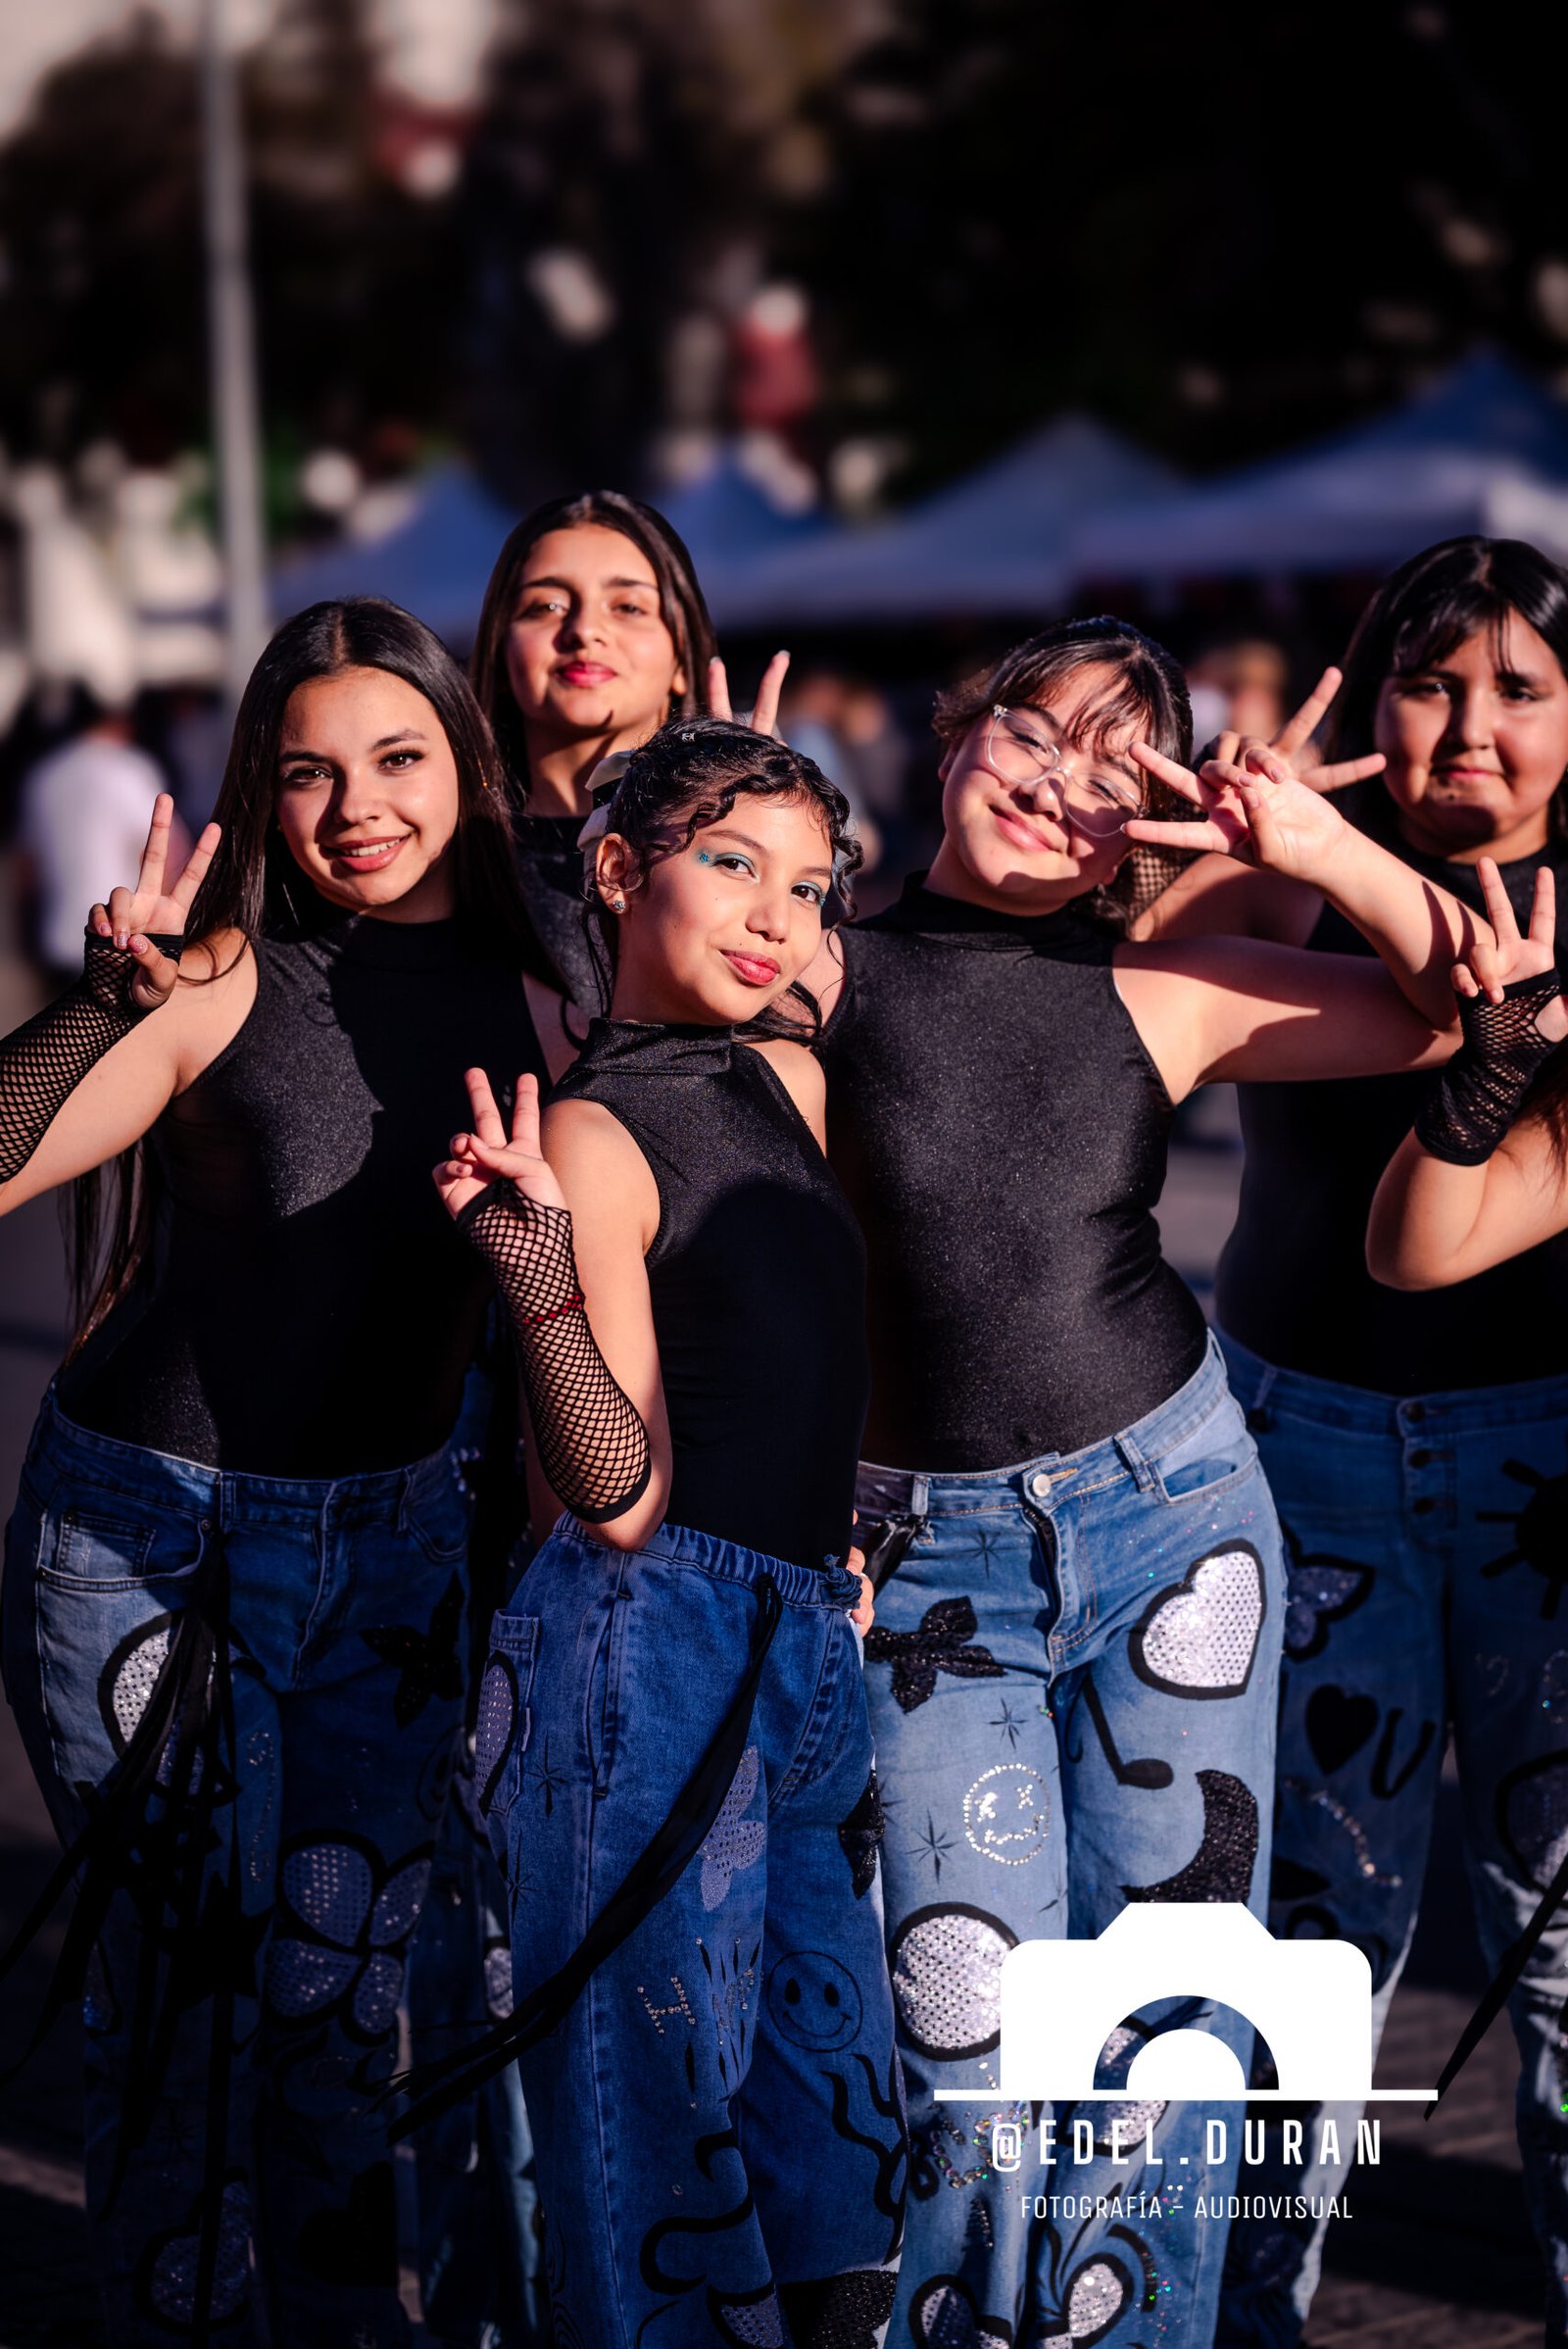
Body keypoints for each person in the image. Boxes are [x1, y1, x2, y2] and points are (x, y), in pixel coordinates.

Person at [787, 612, 1482, 2347]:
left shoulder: (1156, 988)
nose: (1057, 781)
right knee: (963, 2057)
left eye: (1115, 768)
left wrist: (1310, 847)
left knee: (1165, 2038)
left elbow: (1471, 1006)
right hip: (921, 1566)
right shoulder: (815, 965)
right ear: (957, 735)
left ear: (1144, 829)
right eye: (1035, 729)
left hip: (1172, 1529)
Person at [0, 597, 547, 2348]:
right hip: (158, 1541)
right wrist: (96, 1011)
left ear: (464, 756)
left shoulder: (556, 987)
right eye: (304, 771)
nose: (355, 805)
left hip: (399, 1559)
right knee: (181, 2016)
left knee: (333, 1999)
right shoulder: (223, 975)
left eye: (396, 756)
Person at [418, 717, 904, 2344]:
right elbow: (618, 1491)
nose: (780, 912)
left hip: (796, 1645)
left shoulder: (793, 1075)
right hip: (647, 1661)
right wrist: (537, 1272)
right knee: (654, 2165)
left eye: (811, 886)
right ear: (619, 868)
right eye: (730, 863)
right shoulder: (595, 1132)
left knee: (831, 2156)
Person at [1134, 536, 1568, 2344]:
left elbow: (1491, 1009)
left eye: (1522, 690)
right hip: (1298, 1449)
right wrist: (1252, 838)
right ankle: (1250, 2318)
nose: (1469, 724)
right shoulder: (1304, 867)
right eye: (1430, 679)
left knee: (1560, 1953)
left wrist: (1322, 849)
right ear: (1370, 695)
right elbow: (1110, 1011)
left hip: (1547, 1470)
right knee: (1304, 1948)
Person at [470, 488, 796, 1022]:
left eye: (628, 606)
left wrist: (759, 828)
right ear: (502, 648)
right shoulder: (451, 859)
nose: (585, 631)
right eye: (546, 605)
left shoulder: (761, 836)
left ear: (680, 658)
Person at [15, 690, 172, 991]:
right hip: (118, 942)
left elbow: (26, 872)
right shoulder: (132, 770)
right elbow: (159, 856)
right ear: (121, 722)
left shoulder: (43, 775)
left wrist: (27, 942)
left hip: (56, 940)